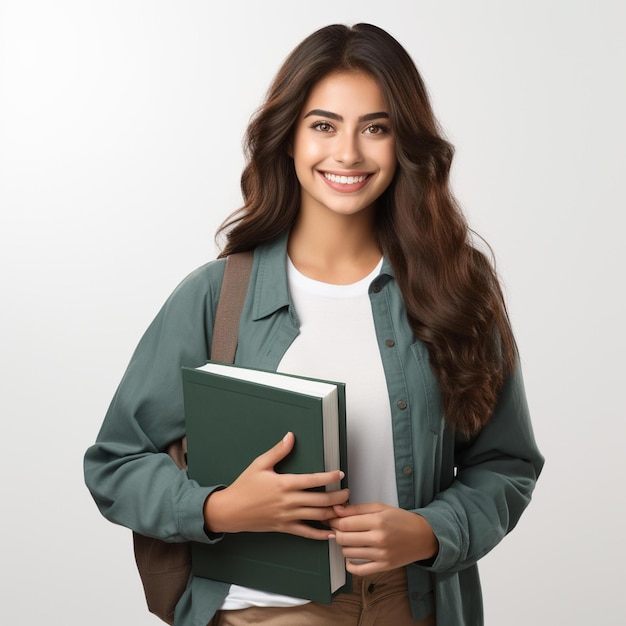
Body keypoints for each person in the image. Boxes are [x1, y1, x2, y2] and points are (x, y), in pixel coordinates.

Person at [84, 23, 544, 626]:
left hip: (413, 608)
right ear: (289, 139)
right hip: (266, 613)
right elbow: (115, 462)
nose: (348, 153)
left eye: (375, 128)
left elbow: (507, 463)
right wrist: (218, 509)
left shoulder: (457, 289)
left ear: (404, 141)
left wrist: (430, 532)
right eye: (323, 125)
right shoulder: (216, 295)